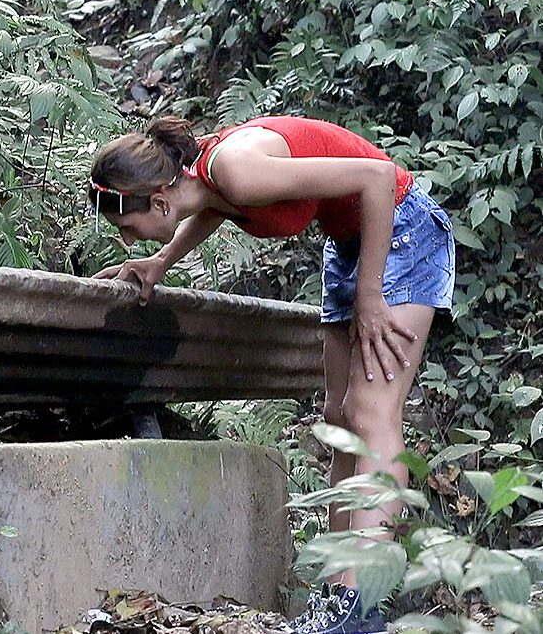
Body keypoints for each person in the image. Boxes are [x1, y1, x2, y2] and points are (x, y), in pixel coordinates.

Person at [88, 115, 455, 634]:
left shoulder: (235, 169)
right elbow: (212, 206)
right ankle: (337, 590)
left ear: (160, 200)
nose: (127, 242)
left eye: (129, 228)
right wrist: (161, 260)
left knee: (373, 413)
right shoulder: (202, 180)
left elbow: (377, 178)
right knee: (340, 419)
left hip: (402, 229)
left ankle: (361, 600)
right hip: (352, 243)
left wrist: (370, 297)